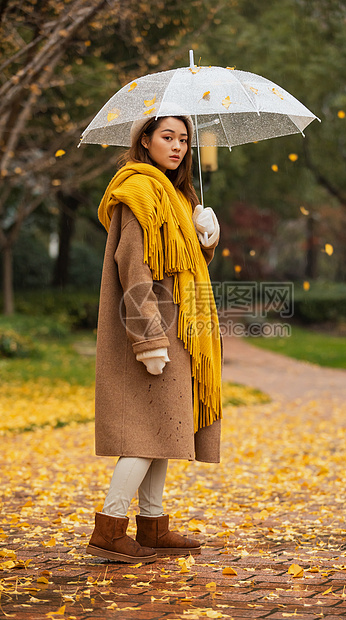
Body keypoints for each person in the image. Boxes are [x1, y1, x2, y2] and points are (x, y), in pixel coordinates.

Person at [86, 115, 222, 564]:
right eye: (168, 136)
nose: (178, 146)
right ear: (144, 140)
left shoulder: (180, 196)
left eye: (184, 139)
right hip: (150, 329)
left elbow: (183, 265)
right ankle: (110, 528)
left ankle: (153, 525)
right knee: (144, 435)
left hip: (181, 327)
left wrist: (205, 237)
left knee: (165, 428)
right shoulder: (138, 191)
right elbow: (134, 267)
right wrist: (149, 338)